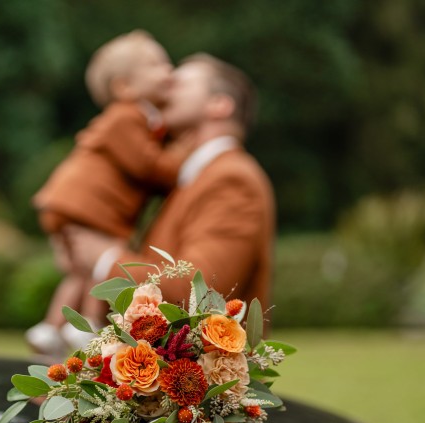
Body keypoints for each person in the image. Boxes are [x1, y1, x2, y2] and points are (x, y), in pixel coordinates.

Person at [67, 53, 276, 316]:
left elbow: (199, 292)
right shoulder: (190, 177)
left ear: (219, 105)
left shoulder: (233, 179)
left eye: (177, 83)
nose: (162, 90)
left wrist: (105, 258)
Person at [28, 31, 194, 356]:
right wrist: (181, 161)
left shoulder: (132, 118)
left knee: (79, 270)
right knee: (103, 260)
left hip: (72, 203)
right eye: (156, 64)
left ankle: (50, 326)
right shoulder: (127, 117)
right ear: (124, 87)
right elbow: (145, 164)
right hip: (88, 205)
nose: (169, 70)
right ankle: (87, 322)